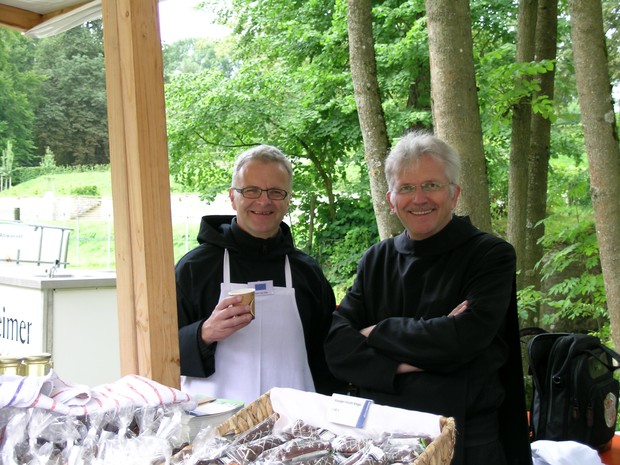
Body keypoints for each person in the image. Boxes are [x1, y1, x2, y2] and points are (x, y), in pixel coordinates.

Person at [324, 131, 532, 465]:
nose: (419, 198)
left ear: (454, 194)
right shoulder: (376, 259)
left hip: (463, 439)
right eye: (406, 188)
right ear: (391, 200)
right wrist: (410, 360)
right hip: (380, 437)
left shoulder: (490, 256)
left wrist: (376, 332)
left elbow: (463, 340)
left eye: (431, 185)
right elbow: (336, 348)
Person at [176, 144, 342, 405]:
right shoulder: (194, 269)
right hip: (214, 426)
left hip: (293, 424)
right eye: (251, 190)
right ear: (232, 196)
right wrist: (204, 333)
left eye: (276, 192)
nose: (264, 202)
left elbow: (327, 355)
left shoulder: (307, 273)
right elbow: (161, 353)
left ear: (288, 199)